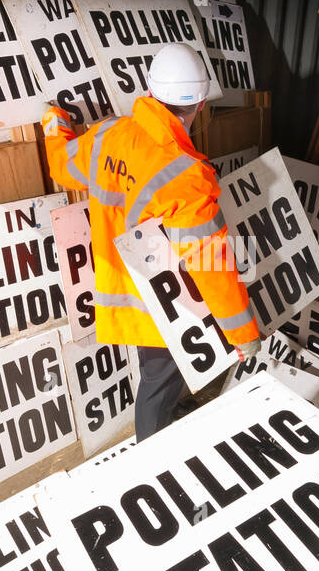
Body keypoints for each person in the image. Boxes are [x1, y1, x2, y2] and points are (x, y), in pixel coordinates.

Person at [41, 43, 261, 440]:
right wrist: (243, 334)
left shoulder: (111, 133)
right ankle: (152, 457)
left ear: (151, 91)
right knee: (157, 384)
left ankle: (167, 420)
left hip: (117, 285)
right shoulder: (186, 175)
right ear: (199, 105)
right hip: (161, 300)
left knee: (159, 375)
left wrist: (55, 124)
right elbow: (211, 263)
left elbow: (62, 166)